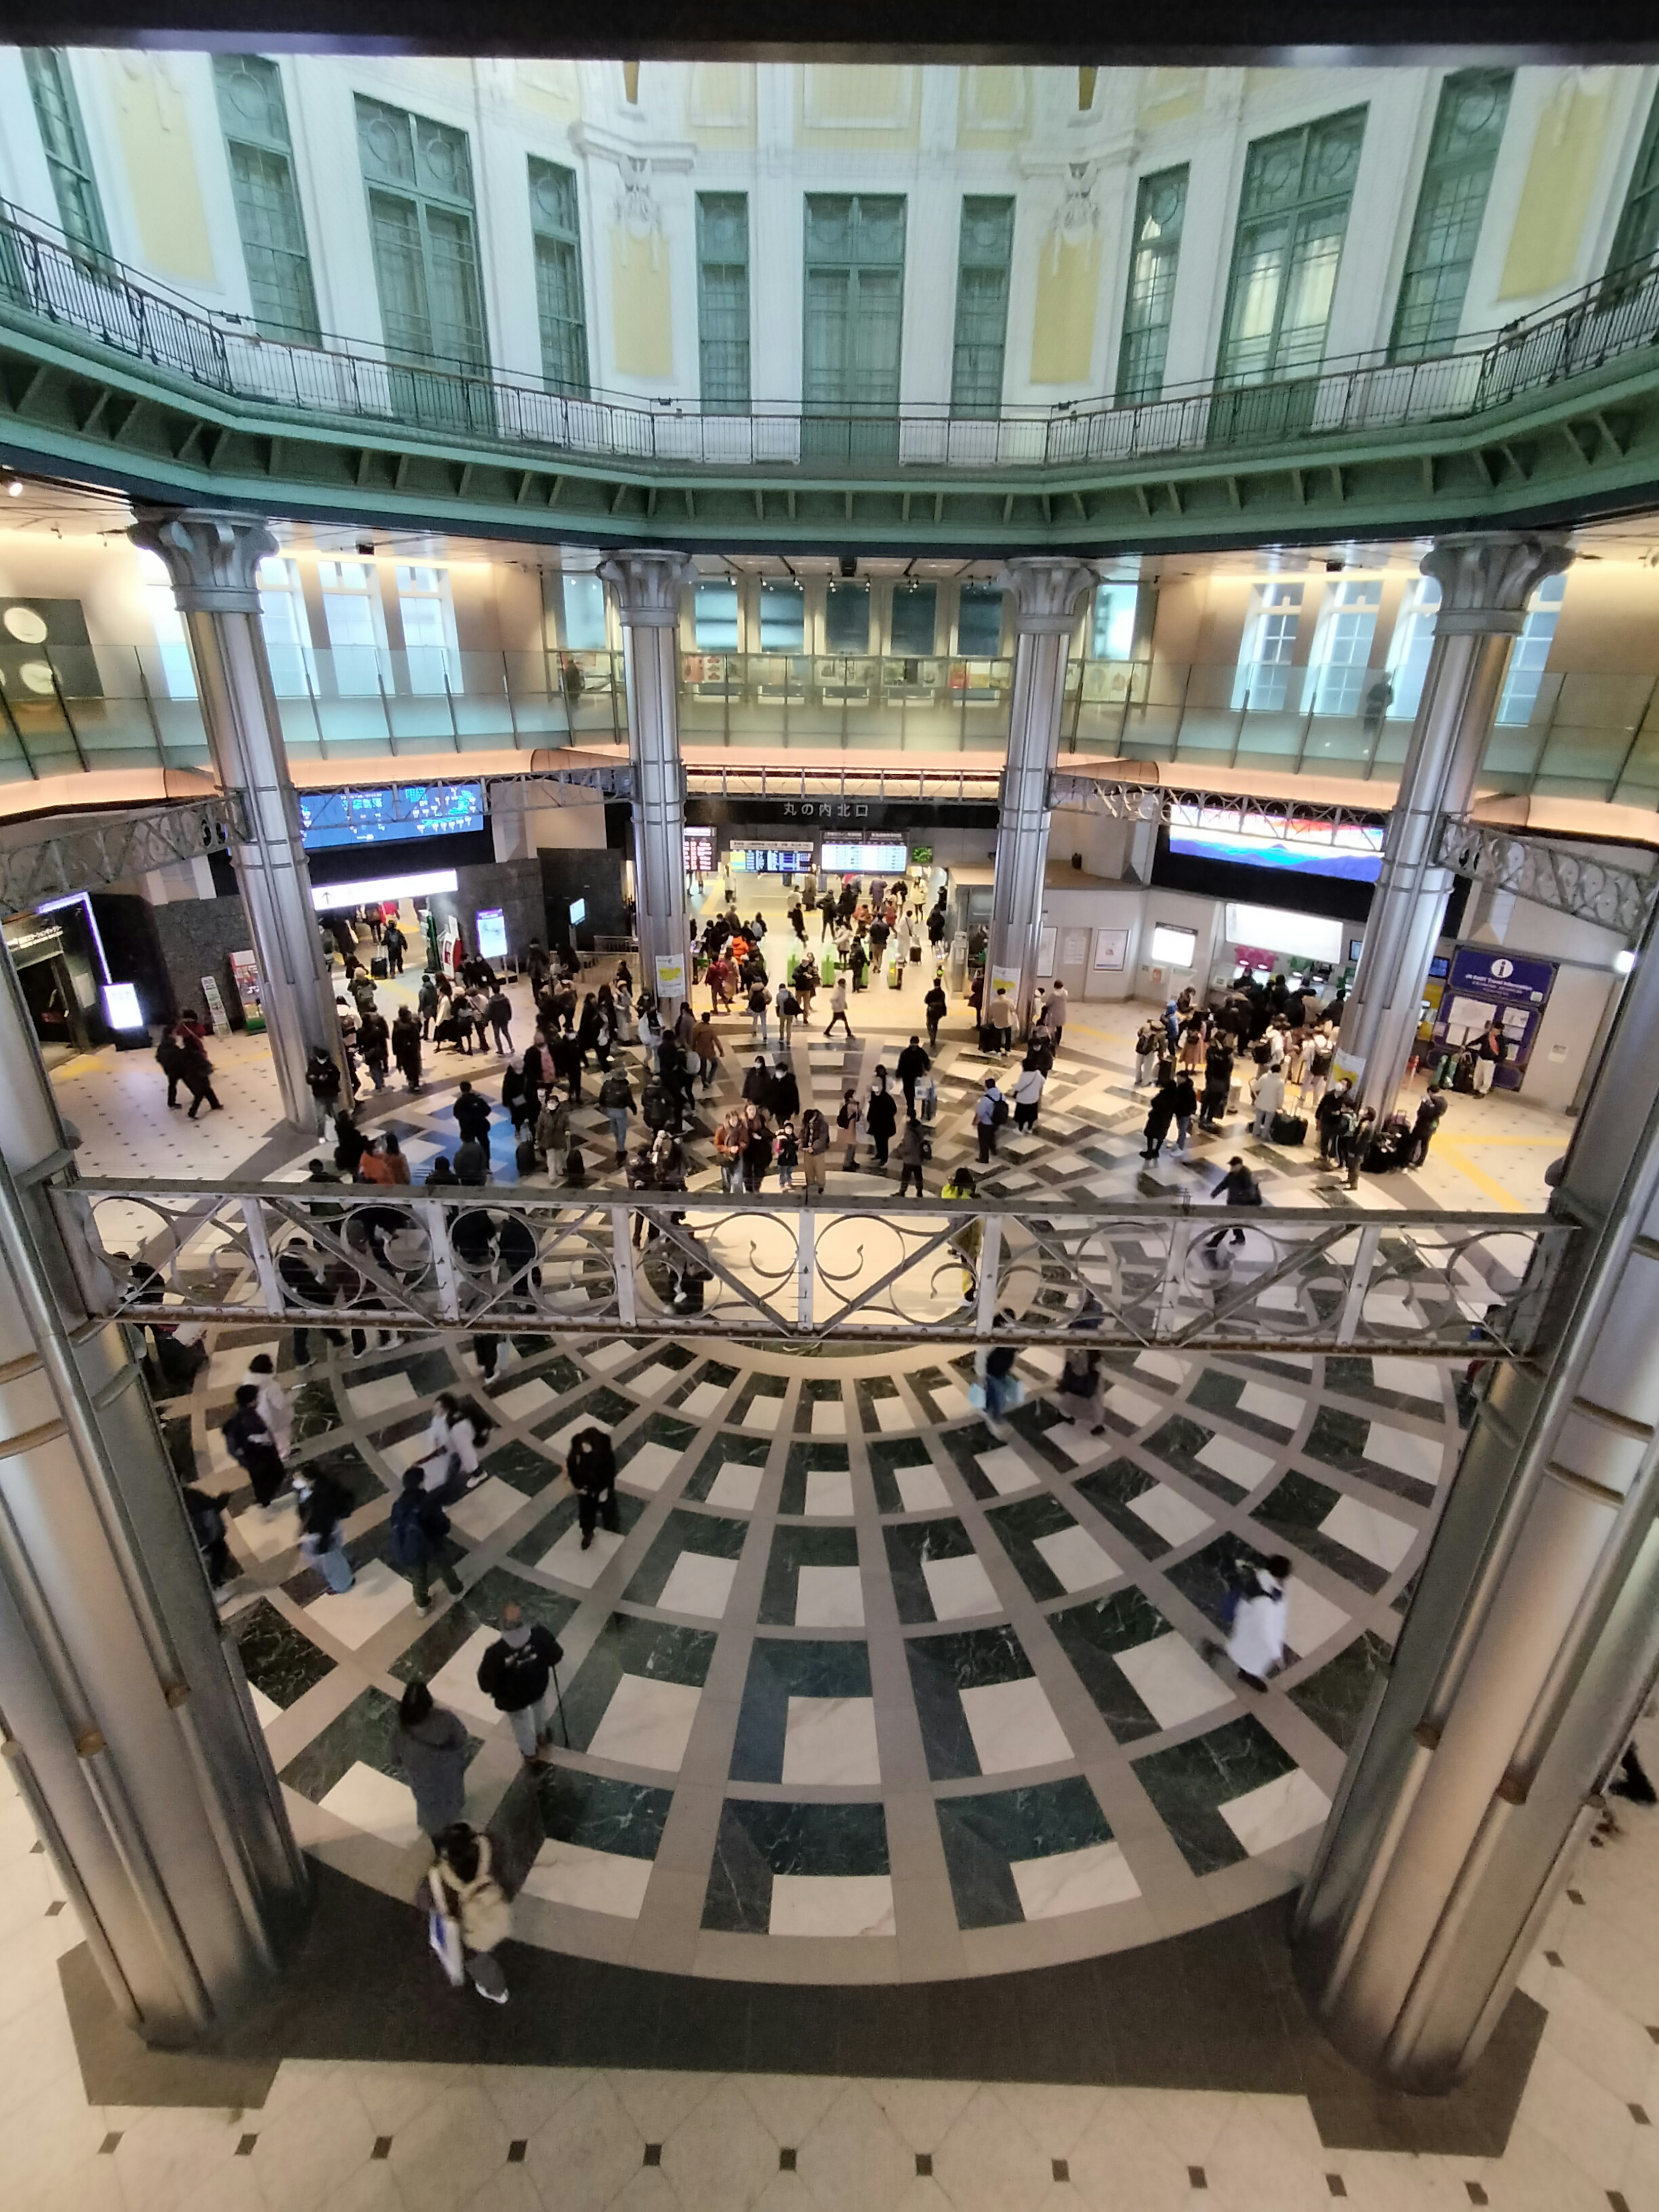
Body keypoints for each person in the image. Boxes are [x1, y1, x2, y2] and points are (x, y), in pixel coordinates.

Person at [427, 1823, 512, 2005]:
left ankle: (497, 1991)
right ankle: (498, 1991)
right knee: (485, 1962)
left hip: (471, 1938)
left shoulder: (440, 1881)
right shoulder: (487, 1849)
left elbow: (439, 1910)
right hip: (493, 1917)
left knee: (478, 1963)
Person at [477, 1599, 564, 1758]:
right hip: (538, 1686)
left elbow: (486, 1684)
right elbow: (556, 1656)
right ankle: (542, 1735)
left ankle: (530, 1753)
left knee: (521, 1725)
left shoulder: (495, 1654)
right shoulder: (540, 1635)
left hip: (513, 1700)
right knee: (540, 1710)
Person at [394, 1679, 467, 1842]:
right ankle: (457, 1834)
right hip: (451, 1775)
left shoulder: (401, 1730)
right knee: (452, 1804)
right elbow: (462, 1737)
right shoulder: (446, 1719)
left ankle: (439, 1842)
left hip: (423, 1784)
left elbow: (393, 1757)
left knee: (430, 1813)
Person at [1208, 1555, 1292, 1691]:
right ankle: (1245, 1674)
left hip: (1250, 1623)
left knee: (1240, 1649)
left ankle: (1222, 1653)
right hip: (1256, 1632)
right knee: (1248, 1656)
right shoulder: (1266, 1602)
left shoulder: (1262, 1579)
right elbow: (1266, 1631)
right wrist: (1277, 1657)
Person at [390, 1465, 462, 1612]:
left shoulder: (398, 1504)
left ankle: (422, 1604)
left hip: (411, 1547)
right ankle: (456, 1591)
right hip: (432, 1543)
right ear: (421, 1483)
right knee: (444, 1567)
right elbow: (442, 1525)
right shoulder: (427, 1501)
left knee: (419, 1576)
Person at [221, 1383, 287, 1510]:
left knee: (260, 1482)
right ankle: (264, 1503)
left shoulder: (239, 1418)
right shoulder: (250, 1421)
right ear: (251, 1401)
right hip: (260, 1459)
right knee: (275, 1476)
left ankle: (263, 1502)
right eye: (256, 1398)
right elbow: (265, 1440)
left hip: (252, 1461)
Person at [296, 1464, 355, 1593]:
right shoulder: (324, 1486)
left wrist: (304, 1530)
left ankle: (343, 1584)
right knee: (331, 1555)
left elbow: (313, 1516)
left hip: (324, 1533)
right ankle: (345, 1567)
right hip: (330, 1529)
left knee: (330, 1561)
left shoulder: (318, 1497)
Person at [181, 1481, 236, 1593]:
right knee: (220, 1551)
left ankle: (215, 1579)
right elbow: (213, 1505)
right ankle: (214, 1582)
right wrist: (222, 1500)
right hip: (203, 1536)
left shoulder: (187, 1497)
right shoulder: (192, 1496)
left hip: (199, 1535)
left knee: (219, 1551)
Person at [244, 1351, 292, 1461]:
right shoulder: (271, 1387)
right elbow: (280, 1404)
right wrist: (292, 1395)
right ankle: (284, 1455)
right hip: (273, 1419)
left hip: (256, 1420)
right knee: (281, 1438)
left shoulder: (248, 1381)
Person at [1206, 1156, 1261, 1247]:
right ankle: (1240, 1238)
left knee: (1227, 1223)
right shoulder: (1232, 1174)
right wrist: (1215, 1193)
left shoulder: (1247, 1176)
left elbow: (1251, 1193)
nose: (1232, 1168)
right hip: (1234, 1204)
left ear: (1239, 1165)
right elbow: (1224, 1184)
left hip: (1241, 1205)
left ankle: (1215, 1242)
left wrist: (1239, 1198)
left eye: (1233, 1166)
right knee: (1234, 1223)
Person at [1055, 1346, 1108, 1436]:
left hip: (1084, 1366)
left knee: (1089, 1397)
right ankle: (1098, 1424)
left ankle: (1065, 1414)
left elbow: (1079, 1369)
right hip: (1093, 1364)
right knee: (1096, 1395)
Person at [179, 1026, 223, 1119]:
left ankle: (215, 1104)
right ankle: (193, 1112)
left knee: (207, 1091)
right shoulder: (195, 1054)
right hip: (200, 1075)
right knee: (202, 1093)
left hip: (191, 1076)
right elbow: (203, 1064)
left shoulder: (183, 1053)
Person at [599, 1065, 634, 1165]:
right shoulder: (625, 1088)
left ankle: (619, 1145)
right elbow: (629, 1101)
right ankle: (621, 1150)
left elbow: (602, 1096)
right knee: (622, 1131)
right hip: (620, 1110)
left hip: (610, 1110)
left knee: (615, 1128)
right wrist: (634, 1109)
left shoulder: (607, 1085)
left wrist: (603, 1106)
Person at [1408, 1083, 1449, 1167]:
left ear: (1430, 1092)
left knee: (1413, 1142)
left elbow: (1421, 1113)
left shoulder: (1428, 1102)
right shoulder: (1444, 1103)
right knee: (1425, 1145)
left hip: (1422, 1126)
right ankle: (1420, 1163)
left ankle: (1409, 1160)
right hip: (1432, 1126)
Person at [865, 1071, 897, 1173]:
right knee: (878, 1141)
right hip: (876, 1124)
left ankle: (884, 1158)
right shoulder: (874, 1096)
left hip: (885, 1125)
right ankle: (879, 1154)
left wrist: (885, 1115)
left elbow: (894, 1110)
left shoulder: (887, 1098)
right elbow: (872, 1107)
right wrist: (870, 1118)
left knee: (884, 1142)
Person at [1141, 1074, 1178, 1163]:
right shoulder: (1175, 1098)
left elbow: (1154, 1102)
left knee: (1151, 1134)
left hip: (1156, 1118)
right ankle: (1156, 1151)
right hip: (1166, 1119)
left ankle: (1149, 1151)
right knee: (1161, 1135)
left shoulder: (1163, 1095)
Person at [800, 1105, 830, 1199]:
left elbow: (823, 1138)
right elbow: (803, 1132)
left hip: (818, 1151)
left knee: (819, 1168)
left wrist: (814, 1147)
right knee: (808, 1167)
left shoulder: (822, 1124)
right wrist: (801, 1141)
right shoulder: (807, 1122)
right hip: (807, 1149)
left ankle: (821, 1186)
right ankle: (810, 1182)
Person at [155, 1025, 188, 1109]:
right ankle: (199, 1094)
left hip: (170, 1069)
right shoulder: (171, 1045)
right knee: (189, 1081)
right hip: (176, 1068)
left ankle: (171, 1102)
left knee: (173, 1085)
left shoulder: (163, 1045)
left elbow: (158, 1058)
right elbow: (178, 1055)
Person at [975, 1077, 1005, 1166]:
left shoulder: (985, 1100)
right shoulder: (1001, 1096)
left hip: (986, 1123)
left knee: (983, 1141)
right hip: (997, 1122)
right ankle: (994, 1150)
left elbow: (980, 1113)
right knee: (992, 1136)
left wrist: (975, 1122)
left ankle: (984, 1158)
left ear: (986, 1087)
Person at [1012, 1056, 1046, 1134]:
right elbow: (1043, 1081)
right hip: (1034, 1099)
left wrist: (1014, 1087)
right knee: (1031, 1116)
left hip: (1024, 1100)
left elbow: (1019, 1087)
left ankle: (1020, 1130)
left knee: (1022, 1116)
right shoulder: (1037, 1074)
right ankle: (1029, 1129)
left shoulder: (1024, 1076)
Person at [896, 1112, 927, 1199]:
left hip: (910, 1159)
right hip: (918, 1157)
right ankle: (920, 1192)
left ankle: (902, 1191)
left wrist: (901, 1150)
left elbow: (909, 1147)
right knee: (918, 1176)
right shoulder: (919, 1128)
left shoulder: (909, 1132)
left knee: (906, 1176)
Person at [1474, 1018, 1507, 1096]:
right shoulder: (1487, 1036)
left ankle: (1483, 1092)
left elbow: (1503, 1052)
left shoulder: (1502, 1040)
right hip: (1481, 1058)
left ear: (1500, 1031)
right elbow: (1477, 1041)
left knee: (1487, 1078)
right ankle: (1476, 1089)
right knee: (1477, 1076)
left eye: (1496, 1029)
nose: (1494, 1030)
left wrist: (1497, 1060)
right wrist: (1468, 1045)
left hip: (1491, 1061)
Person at [1252, 1063, 1286, 1141]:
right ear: (1280, 1071)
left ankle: (1255, 1133)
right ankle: (1264, 1135)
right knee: (1268, 1122)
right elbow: (1280, 1096)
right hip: (1271, 1106)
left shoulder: (1264, 1077)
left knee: (1258, 1120)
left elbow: (1256, 1088)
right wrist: (1280, 1106)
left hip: (1261, 1102)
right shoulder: (1281, 1083)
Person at [690, 1010, 722, 1090]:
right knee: (715, 1064)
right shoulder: (710, 1029)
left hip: (700, 1050)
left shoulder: (697, 1028)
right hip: (709, 1051)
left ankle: (704, 1083)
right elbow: (716, 1041)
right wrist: (721, 1051)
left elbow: (693, 1040)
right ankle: (709, 1080)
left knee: (703, 1067)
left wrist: (693, 1049)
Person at [896, 1035, 930, 1112]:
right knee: (910, 1091)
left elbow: (901, 1063)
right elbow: (927, 1061)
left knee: (910, 1091)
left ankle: (911, 1105)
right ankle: (911, 1105)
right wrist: (927, 1069)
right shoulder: (921, 1052)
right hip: (913, 1075)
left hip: (910, 1075)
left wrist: (899, 1072)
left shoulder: (906, 1053)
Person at [836, 1086, 862, 1172]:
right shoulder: (851, 1106)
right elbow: (859, 1114)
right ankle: (847, 1163)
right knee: (851, 1146)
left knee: (852, 1146)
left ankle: (851, 1161)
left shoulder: (849, 1105)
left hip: (852, 1127)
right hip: (852, 1128)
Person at [1134, 1018, 1164, 1088]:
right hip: (1149, 1052)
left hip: (1140, 1050)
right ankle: (1145, 1083)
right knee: (1147, 1068)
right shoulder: (1159, 1035)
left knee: (1138, 1066)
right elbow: (1162, 1046)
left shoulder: (1145, 1027)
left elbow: (1138, 1033)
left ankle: (1138, 1080)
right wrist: (1161, 1055)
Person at [985, 988, 1014, 1056]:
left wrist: (990, 1020)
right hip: (1008, 1022)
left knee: (998, 1038)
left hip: (998, 1023)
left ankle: (998, 1050)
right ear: (1005, 993)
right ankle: (1007, 1051)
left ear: (997, 994)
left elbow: (991, 1014)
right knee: (1008, 1037)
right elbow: (1013, 1010)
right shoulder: (1009, 1002)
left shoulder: (994, 1003)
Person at [825, 975, 854, 1039]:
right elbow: (832, 999)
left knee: (835, 1021)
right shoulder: (838, 991)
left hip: (840, 1009)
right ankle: (849, 1033)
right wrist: (838, 1006)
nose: (845, 986)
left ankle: (827, 1031)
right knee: (844, 1021)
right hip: (838, 1010)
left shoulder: (842, 990)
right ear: (841, 984)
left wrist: (845, 1005)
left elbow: (842, 999)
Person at [924, 979, 947, 1052]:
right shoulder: (942, 993)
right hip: (938, 1012)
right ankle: (934, 1036)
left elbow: (926, 1001)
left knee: (929, 1024)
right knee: (935, 1024)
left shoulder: (931, 993)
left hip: (931, 1012)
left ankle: (932, 1036)